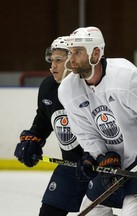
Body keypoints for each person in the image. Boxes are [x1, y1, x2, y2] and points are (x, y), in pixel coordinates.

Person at [58, 26, 137, 215]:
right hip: (111, 162)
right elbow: (84, 132)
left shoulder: (123, 75)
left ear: (96, 53)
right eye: (70, 52)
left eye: (78, 52)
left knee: (134, 211)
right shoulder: (68, 89)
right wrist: (100, 155)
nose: (71, 58)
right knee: (92, 211)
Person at [14, 36, 89, 216]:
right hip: (70, 166)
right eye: (51, 60)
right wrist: (33, 139)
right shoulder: (48, 86)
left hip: (99, 167)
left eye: (58, 61)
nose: (52, 66)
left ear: (72, 62)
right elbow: (43, 119)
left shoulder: (89, 87)